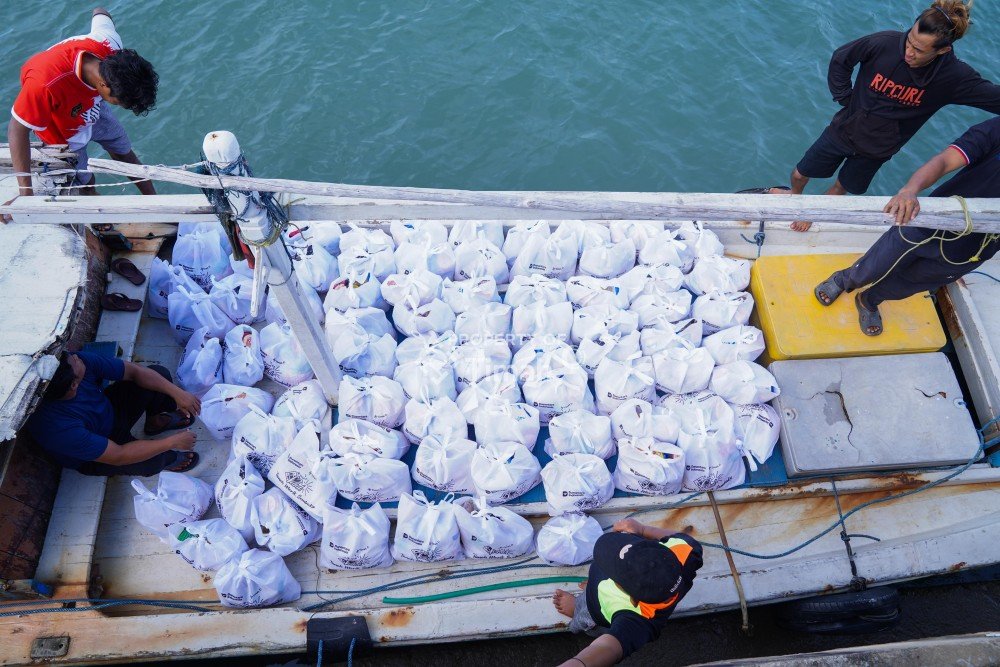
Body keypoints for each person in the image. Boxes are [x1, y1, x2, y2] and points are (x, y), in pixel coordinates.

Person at [788, 0, 1000, 231]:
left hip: (878, 149)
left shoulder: (954, 77)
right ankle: (795, 197)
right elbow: (842, 58)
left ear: (943, 50)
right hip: (843, 130)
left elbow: (994, 98)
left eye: (919, 50)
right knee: (800, 174)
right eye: (909, 40)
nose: (908, 52)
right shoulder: (885, 43)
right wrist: (846, 98)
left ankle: (815, 210)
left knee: (842, 186)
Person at [813, 116, 1000, 335]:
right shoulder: (996, 128)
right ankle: (846, 278)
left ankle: (868, 300)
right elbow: (946, 161)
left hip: (973, 251)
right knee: (875, 265)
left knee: (909, 284)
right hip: (931, 223)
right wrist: (911, 189)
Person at [6, 7, 158, 201]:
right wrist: (25, 192)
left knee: (125, 154)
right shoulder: (44, 84)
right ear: (104, 85)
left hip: (94, 108)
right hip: (63, 130)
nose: (121, 106)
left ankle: (154, 199)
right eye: (120, 102)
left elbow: (100, 11)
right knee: (84, 179)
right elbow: (16, 129)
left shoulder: (109, 45)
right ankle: (92, 200)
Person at [553, 519, 703, 667]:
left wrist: (580, 663)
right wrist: (642, 529)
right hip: (603, 585)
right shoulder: (685, 555)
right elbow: (686, 540)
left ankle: (576, 607)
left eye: (612, 568)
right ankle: (593, 584)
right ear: (666, 552)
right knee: (596, 579)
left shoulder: (636, 620)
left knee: (586, 615)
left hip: (594, 607)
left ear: (633, 600)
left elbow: (608, 647)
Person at [25, 351, 202, 476]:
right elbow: (119, 455)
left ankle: (154, 421)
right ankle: (169, 460)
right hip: (97, 454)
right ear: (73, 385)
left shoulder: (74, 362)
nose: (76, 356)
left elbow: (134, 372)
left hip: (109, 412)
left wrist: (177, 393)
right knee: (152, 461)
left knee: (158, 374)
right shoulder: (56, 428)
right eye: (75, 361)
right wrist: (171, 442)